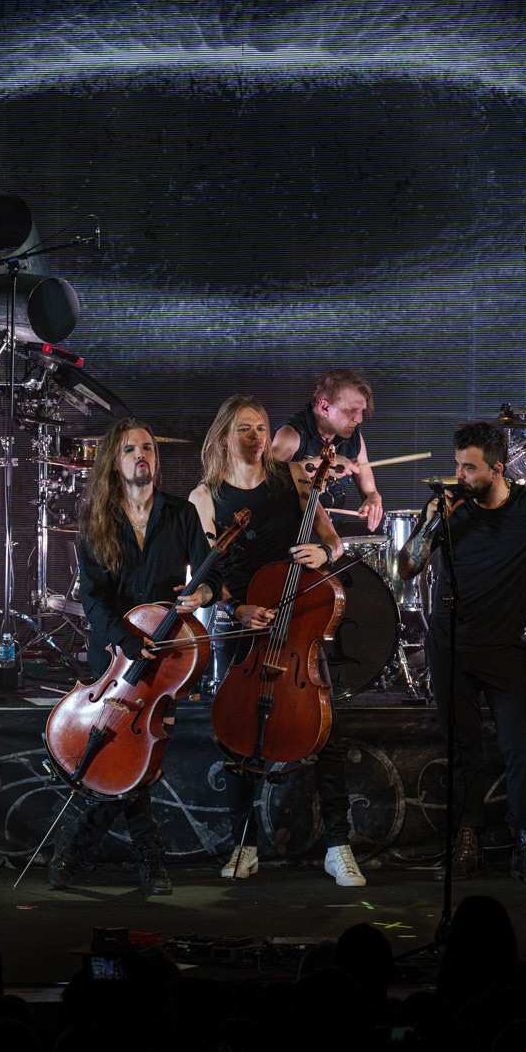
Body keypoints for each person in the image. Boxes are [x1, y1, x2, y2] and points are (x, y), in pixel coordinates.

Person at [396, 421, 526, 882]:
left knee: (519, 748)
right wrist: (432, 523)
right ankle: (468, 842)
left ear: (498, 468)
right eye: (457, 466)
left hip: (504, 649)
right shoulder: (450, 510)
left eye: (469, 468)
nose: (460, 475)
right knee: (463, 748)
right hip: (449, 647)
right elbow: (407, 567)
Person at [188, 395, 364, 887]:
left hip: (299, 619)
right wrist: (237, 607)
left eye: (262, 428)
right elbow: (208, 576)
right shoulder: (205, 498)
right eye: (244, 428)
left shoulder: (294, 478)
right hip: (242, 624)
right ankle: (244, 845)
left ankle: (338, 845)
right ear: (225, 435)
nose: (257, 437)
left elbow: (334, 542)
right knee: (238, 736)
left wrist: (323, 552)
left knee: (324, 733)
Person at [50, 419, 221, 896]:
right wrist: (123, 640)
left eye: (148, 447)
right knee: (128, 757)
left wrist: (202, 593)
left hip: (166, 657)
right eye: (131, 450)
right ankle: (150, 863)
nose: (142, 455)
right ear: (115, 462)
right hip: (115, 655)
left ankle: (75, 855)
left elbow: (215, 575)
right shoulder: (96, 522)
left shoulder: (180, 514)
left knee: (128, 752)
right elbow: (93, 599)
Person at [270, 368, 384, 534]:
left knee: (382, 537)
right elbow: (266, 481)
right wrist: (321, 464)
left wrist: (373, 499)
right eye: (351, 411)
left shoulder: (354, 437)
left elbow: (370, 490)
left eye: (361, 411)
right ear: (325, 407)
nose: (359, 419)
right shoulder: (291, 434)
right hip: (294, 532)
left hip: (332, 531)